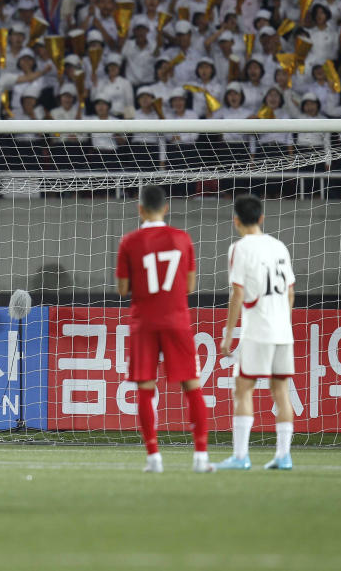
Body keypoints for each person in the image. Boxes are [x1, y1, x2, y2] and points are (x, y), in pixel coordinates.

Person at [115, 185, 214, 474]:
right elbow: (191, 286)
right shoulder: (182, 239)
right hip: (176, 321)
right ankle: (200, 458)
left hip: (144, 322)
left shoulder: (129, 242)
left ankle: (154, 458)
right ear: (166, 208)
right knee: (192, 387)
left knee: (146, 388)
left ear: (140, 209)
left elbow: (122, 289)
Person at [217, 194, 296, 471]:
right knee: (281, 391)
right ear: (261, 217)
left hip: (257, 331)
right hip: (283, 332)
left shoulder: (240, 248)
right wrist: (283, 322)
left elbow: (237, 292)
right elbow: (290, 292)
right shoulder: (279, 247)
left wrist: (228, 335)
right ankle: (284, 456)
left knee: (243, 389)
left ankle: (240, 456)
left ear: (235, 220)